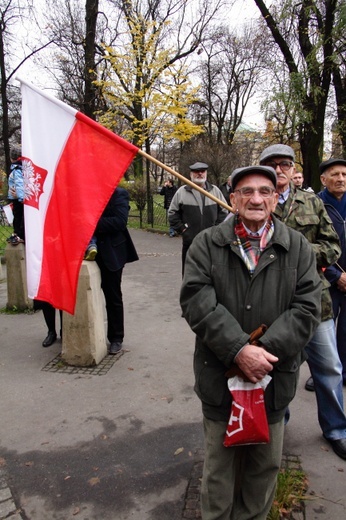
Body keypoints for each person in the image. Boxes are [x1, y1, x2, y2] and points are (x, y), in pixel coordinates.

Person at [180, 165, 321, 519]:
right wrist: (239, 350)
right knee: (218, 473)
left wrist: (261, 354)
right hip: (219, 379)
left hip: (272, 381)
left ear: (275, 199)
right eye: (246, 192)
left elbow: (307, 309)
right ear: (233, 199)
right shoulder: (206, 243)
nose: (255, 199)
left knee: (262, 472)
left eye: (264, 191)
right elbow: (196, 300)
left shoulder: (299, 247)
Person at [259, 144, 346, 460]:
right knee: (275, 372)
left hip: (314, 302)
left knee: (329, 368)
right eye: (271, 164)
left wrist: (301, 252)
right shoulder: (255, 204)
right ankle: (276, 427)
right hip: (272, 307)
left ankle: (336, 429)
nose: (278, 169)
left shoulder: (310, 201)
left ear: (293, 168)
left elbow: (332, 246)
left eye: (284, 164)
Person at [94, 187, 138, 354]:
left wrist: (90, 222)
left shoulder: (119, 193)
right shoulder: (85, 192)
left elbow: (119, 221)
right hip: (84, 253)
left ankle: (116, 338)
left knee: (113, 296)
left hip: (111, 253)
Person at [168, 162, 228, 274]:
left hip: (212, 241)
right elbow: (172, 213)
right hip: (191, 241)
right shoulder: (182, 192)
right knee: (189, 272)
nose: (200, 173)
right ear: (191, 174)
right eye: (196, 171)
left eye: (203, 171)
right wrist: (183, 229)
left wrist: (217, 228)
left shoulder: (214, 191)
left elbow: (224, 211)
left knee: (212, 273)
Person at [318, 158, 346, 384]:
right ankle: (323, 375)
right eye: (335, 174)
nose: (340, 179)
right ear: (323, 179)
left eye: (344, 175)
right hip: (328, 280)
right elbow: (313, 246)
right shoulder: (316, 204)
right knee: (323, 333)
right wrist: (336, 276)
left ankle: (343, 373)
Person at [7, 147, 25, 245]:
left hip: (18, 199)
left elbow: (19, 183)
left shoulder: (16, 168)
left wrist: (20, 196)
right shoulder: (22, 167)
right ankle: (17, 234)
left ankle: (18, 235)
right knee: (18, 216)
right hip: (17, 197)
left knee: (18, 217)